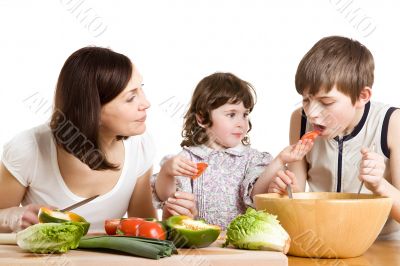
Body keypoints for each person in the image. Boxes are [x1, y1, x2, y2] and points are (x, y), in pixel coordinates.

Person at [0, 47, 156, 233]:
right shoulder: (29, 148)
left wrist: (172, 211)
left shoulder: (140, 145)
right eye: (131, 98)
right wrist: (11, 217)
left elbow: (145, 228)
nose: (146, 104)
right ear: (93, 110)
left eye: (141, 89)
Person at [267, 36, 400, 239]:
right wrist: (284, 190)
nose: (312, 113)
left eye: (326, 102)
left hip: (378, 243)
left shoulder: (392, 123)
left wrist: (379, 185)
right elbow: (297, 195)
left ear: (362, 96)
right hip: (322, 239)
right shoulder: (300, 120)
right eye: (306, 100)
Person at [151, 72, 313, 229]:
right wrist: (167, 172)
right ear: (201, 118)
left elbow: (257, 195)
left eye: (245, 114)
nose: (241, 123)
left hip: (241, 246)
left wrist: (280, 160)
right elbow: (169, 196)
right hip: (201, 243)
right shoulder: (189, 159)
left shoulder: (251, 159)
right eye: (231, 114)